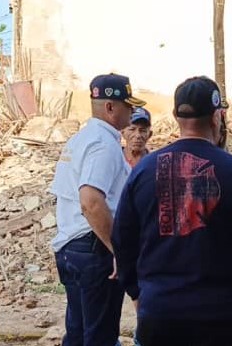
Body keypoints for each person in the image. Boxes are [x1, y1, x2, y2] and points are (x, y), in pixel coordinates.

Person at [112, 75, 232, 346]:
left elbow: (123, 239)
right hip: (219, 317)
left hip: (159, 312)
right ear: (217, 117)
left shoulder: (143, 170)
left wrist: (137, 294)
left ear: (176, 117)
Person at [51, 73, 146, 346]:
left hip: (73, 248)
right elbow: (91, 201)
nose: (132, 111)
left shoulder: (80, 139)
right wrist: (117, 249)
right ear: (109, 107)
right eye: (127, 105)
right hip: (94, 250)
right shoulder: (104, 144)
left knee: (79, 334)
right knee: (100, 337)